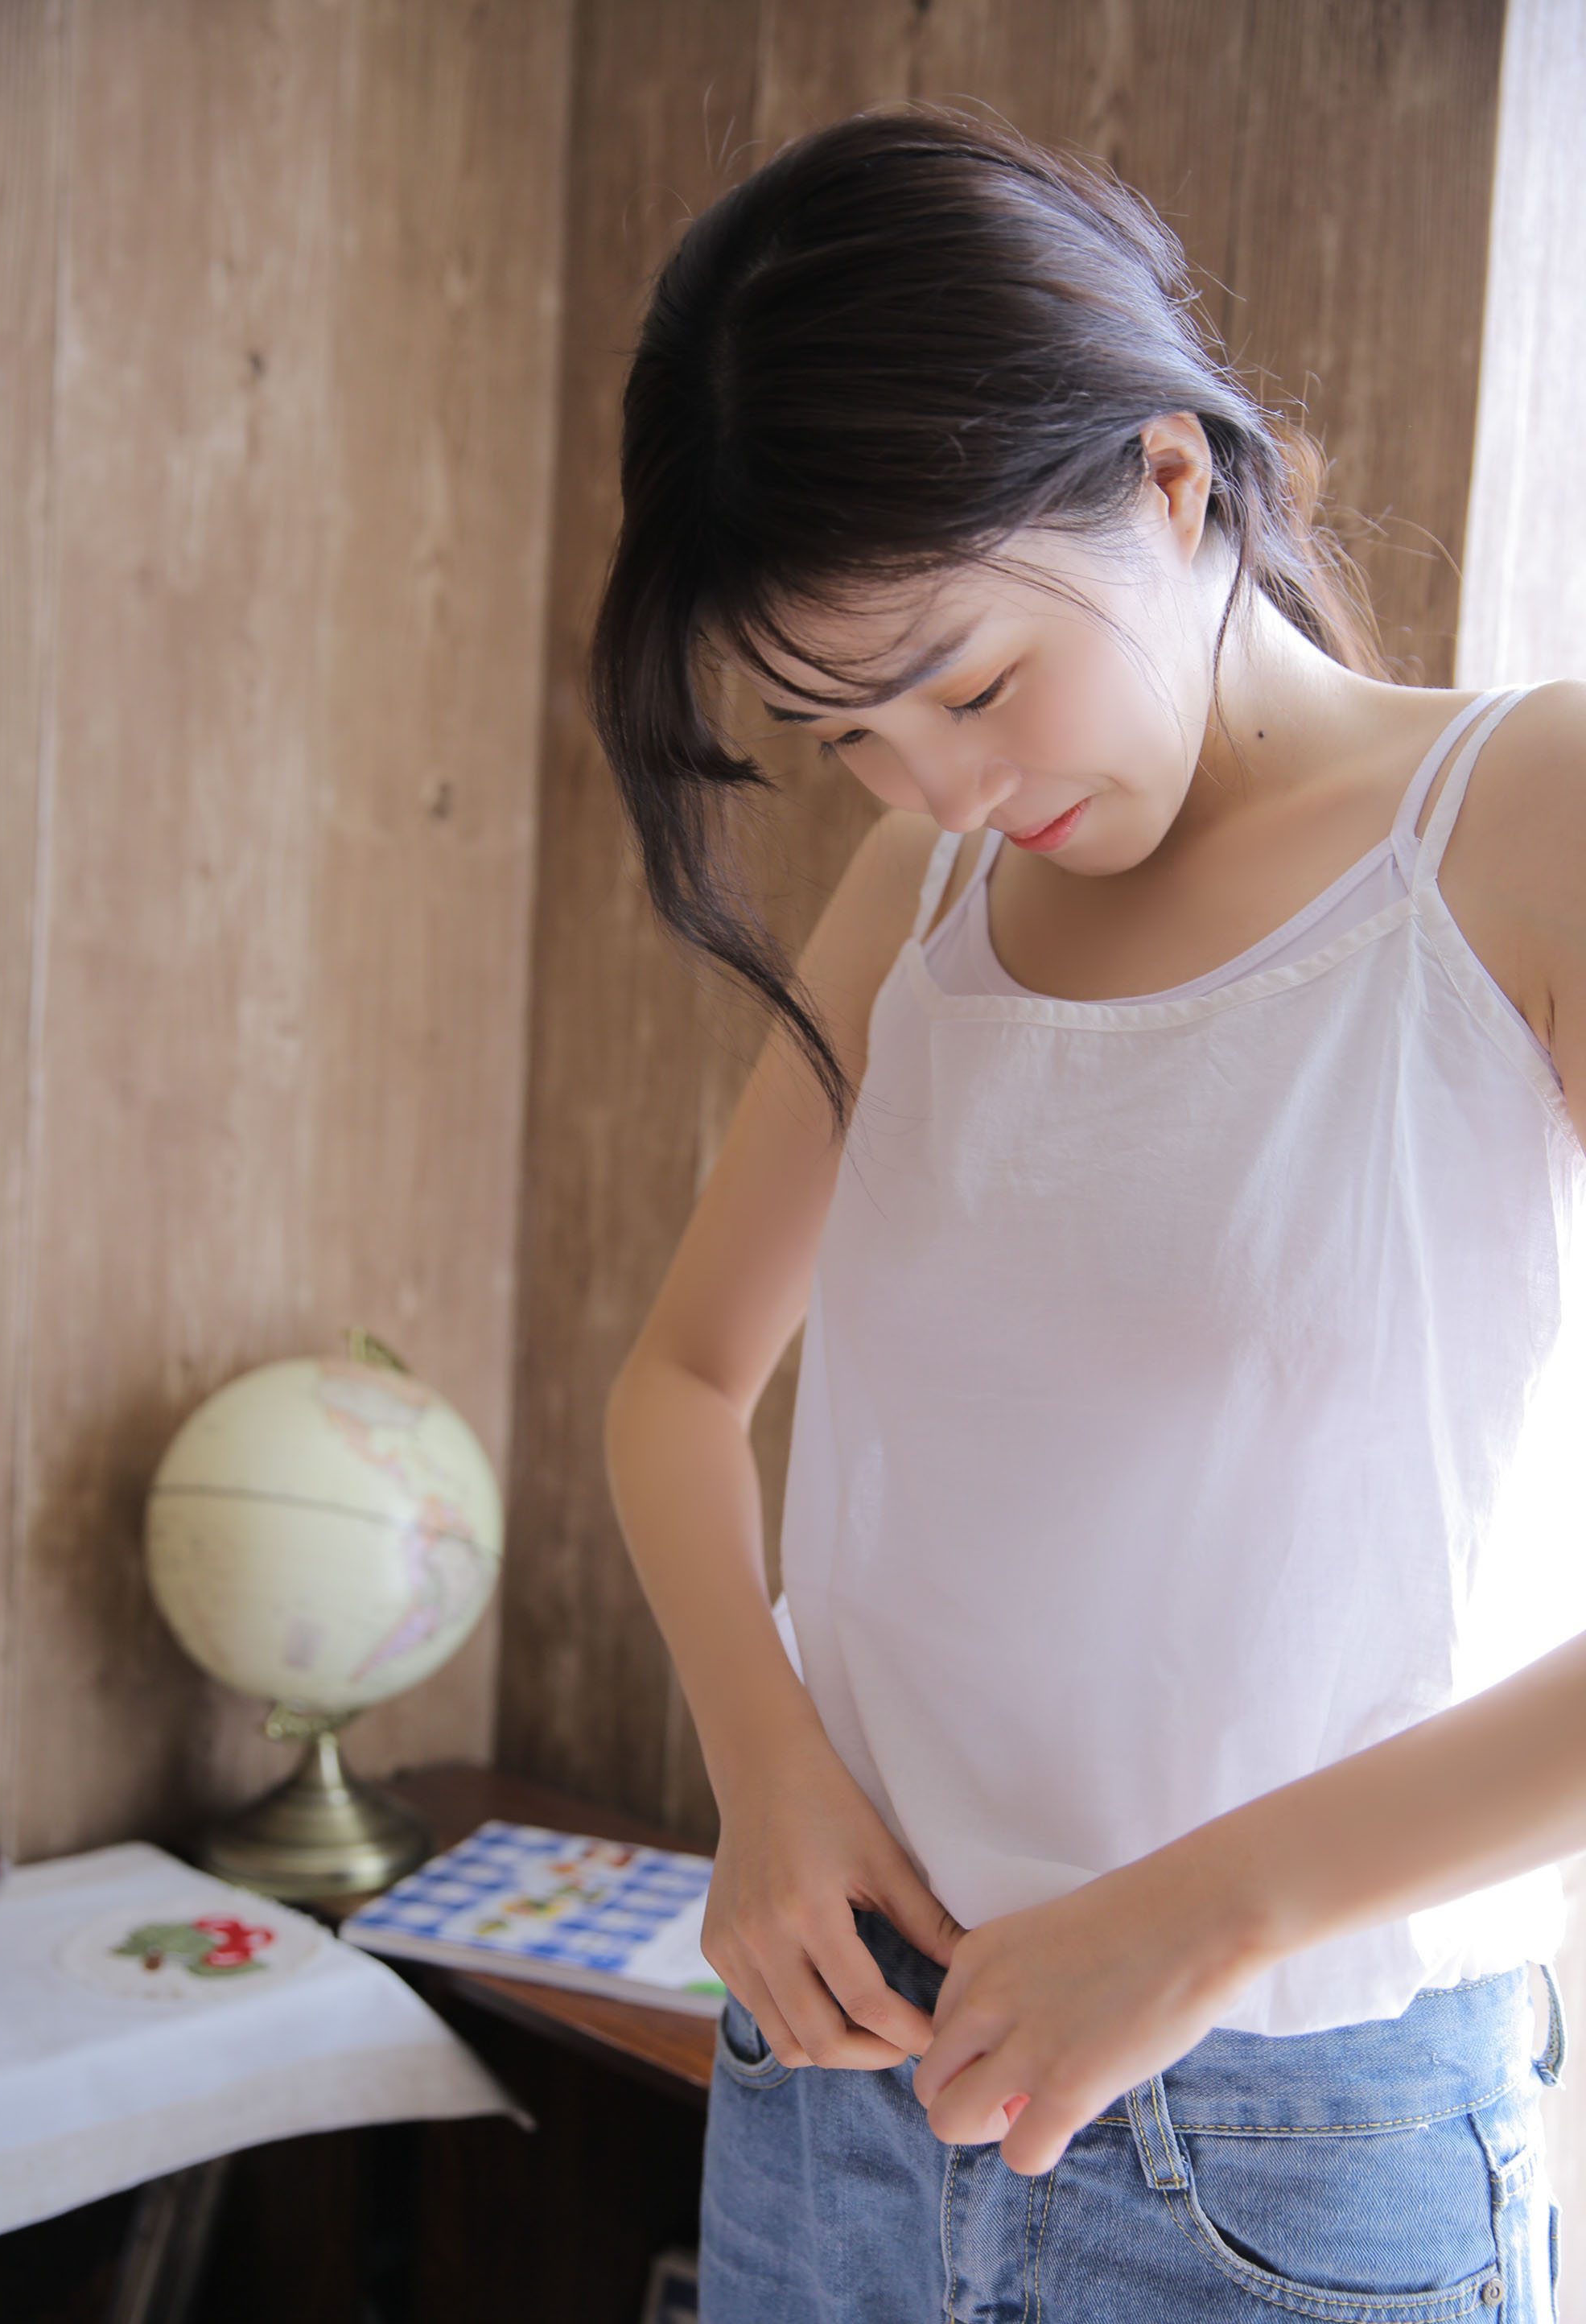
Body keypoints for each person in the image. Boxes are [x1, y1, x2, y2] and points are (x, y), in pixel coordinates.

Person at [594, 107, 1586, 2322]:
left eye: (968, 681)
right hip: (841, 2084)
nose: (946, 787)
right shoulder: (925, 893)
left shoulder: (1521, 827)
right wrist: (768, 1787)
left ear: (1169, 479)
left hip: (1297, 2150)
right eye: (847, 732)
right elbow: (675, 1386)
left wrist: (1209, 1911)